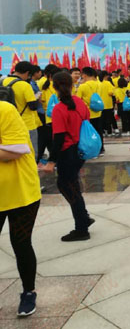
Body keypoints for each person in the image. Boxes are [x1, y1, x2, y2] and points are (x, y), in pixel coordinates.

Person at [0, 100, 41, 317]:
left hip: (21, 193)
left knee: (21, 243)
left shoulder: (4, 110)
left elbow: (15, 151)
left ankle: (28, 292)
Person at [44, 72, 95, 241]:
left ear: (54, 87)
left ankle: (82, 228)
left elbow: (59, 137)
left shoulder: (59, 109)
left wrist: (52, 161)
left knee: (68, 187)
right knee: (72, 186)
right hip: (80, 150)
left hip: (67, 153)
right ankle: (84, 218)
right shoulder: (80, 102)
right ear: (72, 85)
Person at [3, 62, 40, 159]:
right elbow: (33, 106)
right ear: (27, 73)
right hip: (26, 124)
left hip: (7, 123)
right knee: (30, 154)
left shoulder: (3, 81)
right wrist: (37, 98)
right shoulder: (25, 85)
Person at [76, 67, 104, 156]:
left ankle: (91, 150)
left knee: (88, 133)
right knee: (98, 132)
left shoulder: (83, 86)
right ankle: (101, 149)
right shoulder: (99, 84)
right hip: (98, 112)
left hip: (87, 113)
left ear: (84, 75)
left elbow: (77, 99)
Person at [37, 65, 60, 167]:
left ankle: (46, 159)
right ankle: (55, 160)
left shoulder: (43, 85)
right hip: (58, 116)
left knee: (47, 139)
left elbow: (41, 100)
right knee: (56, 140)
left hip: (47, 116)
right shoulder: (59, 85)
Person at [99, 71, 118, 137]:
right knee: (108, 119)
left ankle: (103, 132)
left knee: (101, 119)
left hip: (100, 104)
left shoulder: (98, 83)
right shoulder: (107, 83)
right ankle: (109, 132)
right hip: (108, 104)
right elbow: (111, 92)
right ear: (105, 76)